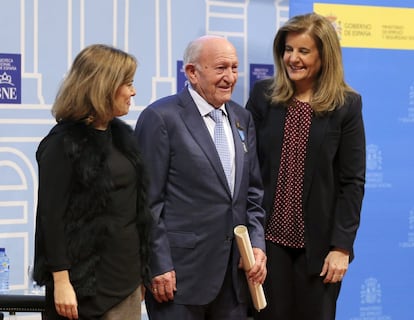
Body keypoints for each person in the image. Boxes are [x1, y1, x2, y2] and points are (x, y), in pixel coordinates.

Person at [134, 35, 267, 320]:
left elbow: (253, 195)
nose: (230, 77)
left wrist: (256, 245)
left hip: (234, 281)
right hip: (179, 280)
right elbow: (146, 202)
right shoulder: (161, 117)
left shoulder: (243, 118)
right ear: (192, 72)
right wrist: (157, 264)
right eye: (221, 68)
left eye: (234, 68)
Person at [246, 13, 366, 320]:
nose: (292, 58)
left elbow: (352, 181)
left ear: (324, 56)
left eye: (303, 51)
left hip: (320, 249)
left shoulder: (346, 105)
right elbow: (247, 169)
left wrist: (342, 247)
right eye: (288, 49)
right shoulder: (263, 95)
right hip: (267, 246)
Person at [33, 44, 151, 320]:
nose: (133, 92)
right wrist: (61, 282)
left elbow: (134, 211)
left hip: (126, 283)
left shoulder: (123, 138)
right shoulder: (62, 144)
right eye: (128, 84)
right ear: (104, 85)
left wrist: (141, 273)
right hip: (82, 290)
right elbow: (51, 218)